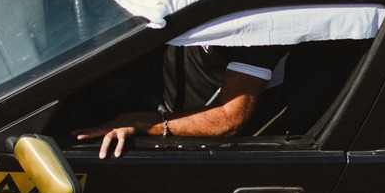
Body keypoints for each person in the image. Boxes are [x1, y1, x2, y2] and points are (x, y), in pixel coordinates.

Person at [77, 43, 289, 158]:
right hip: (149, 90)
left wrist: (144, 122)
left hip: (183, 132)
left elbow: (229, 119)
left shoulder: (255, 32)